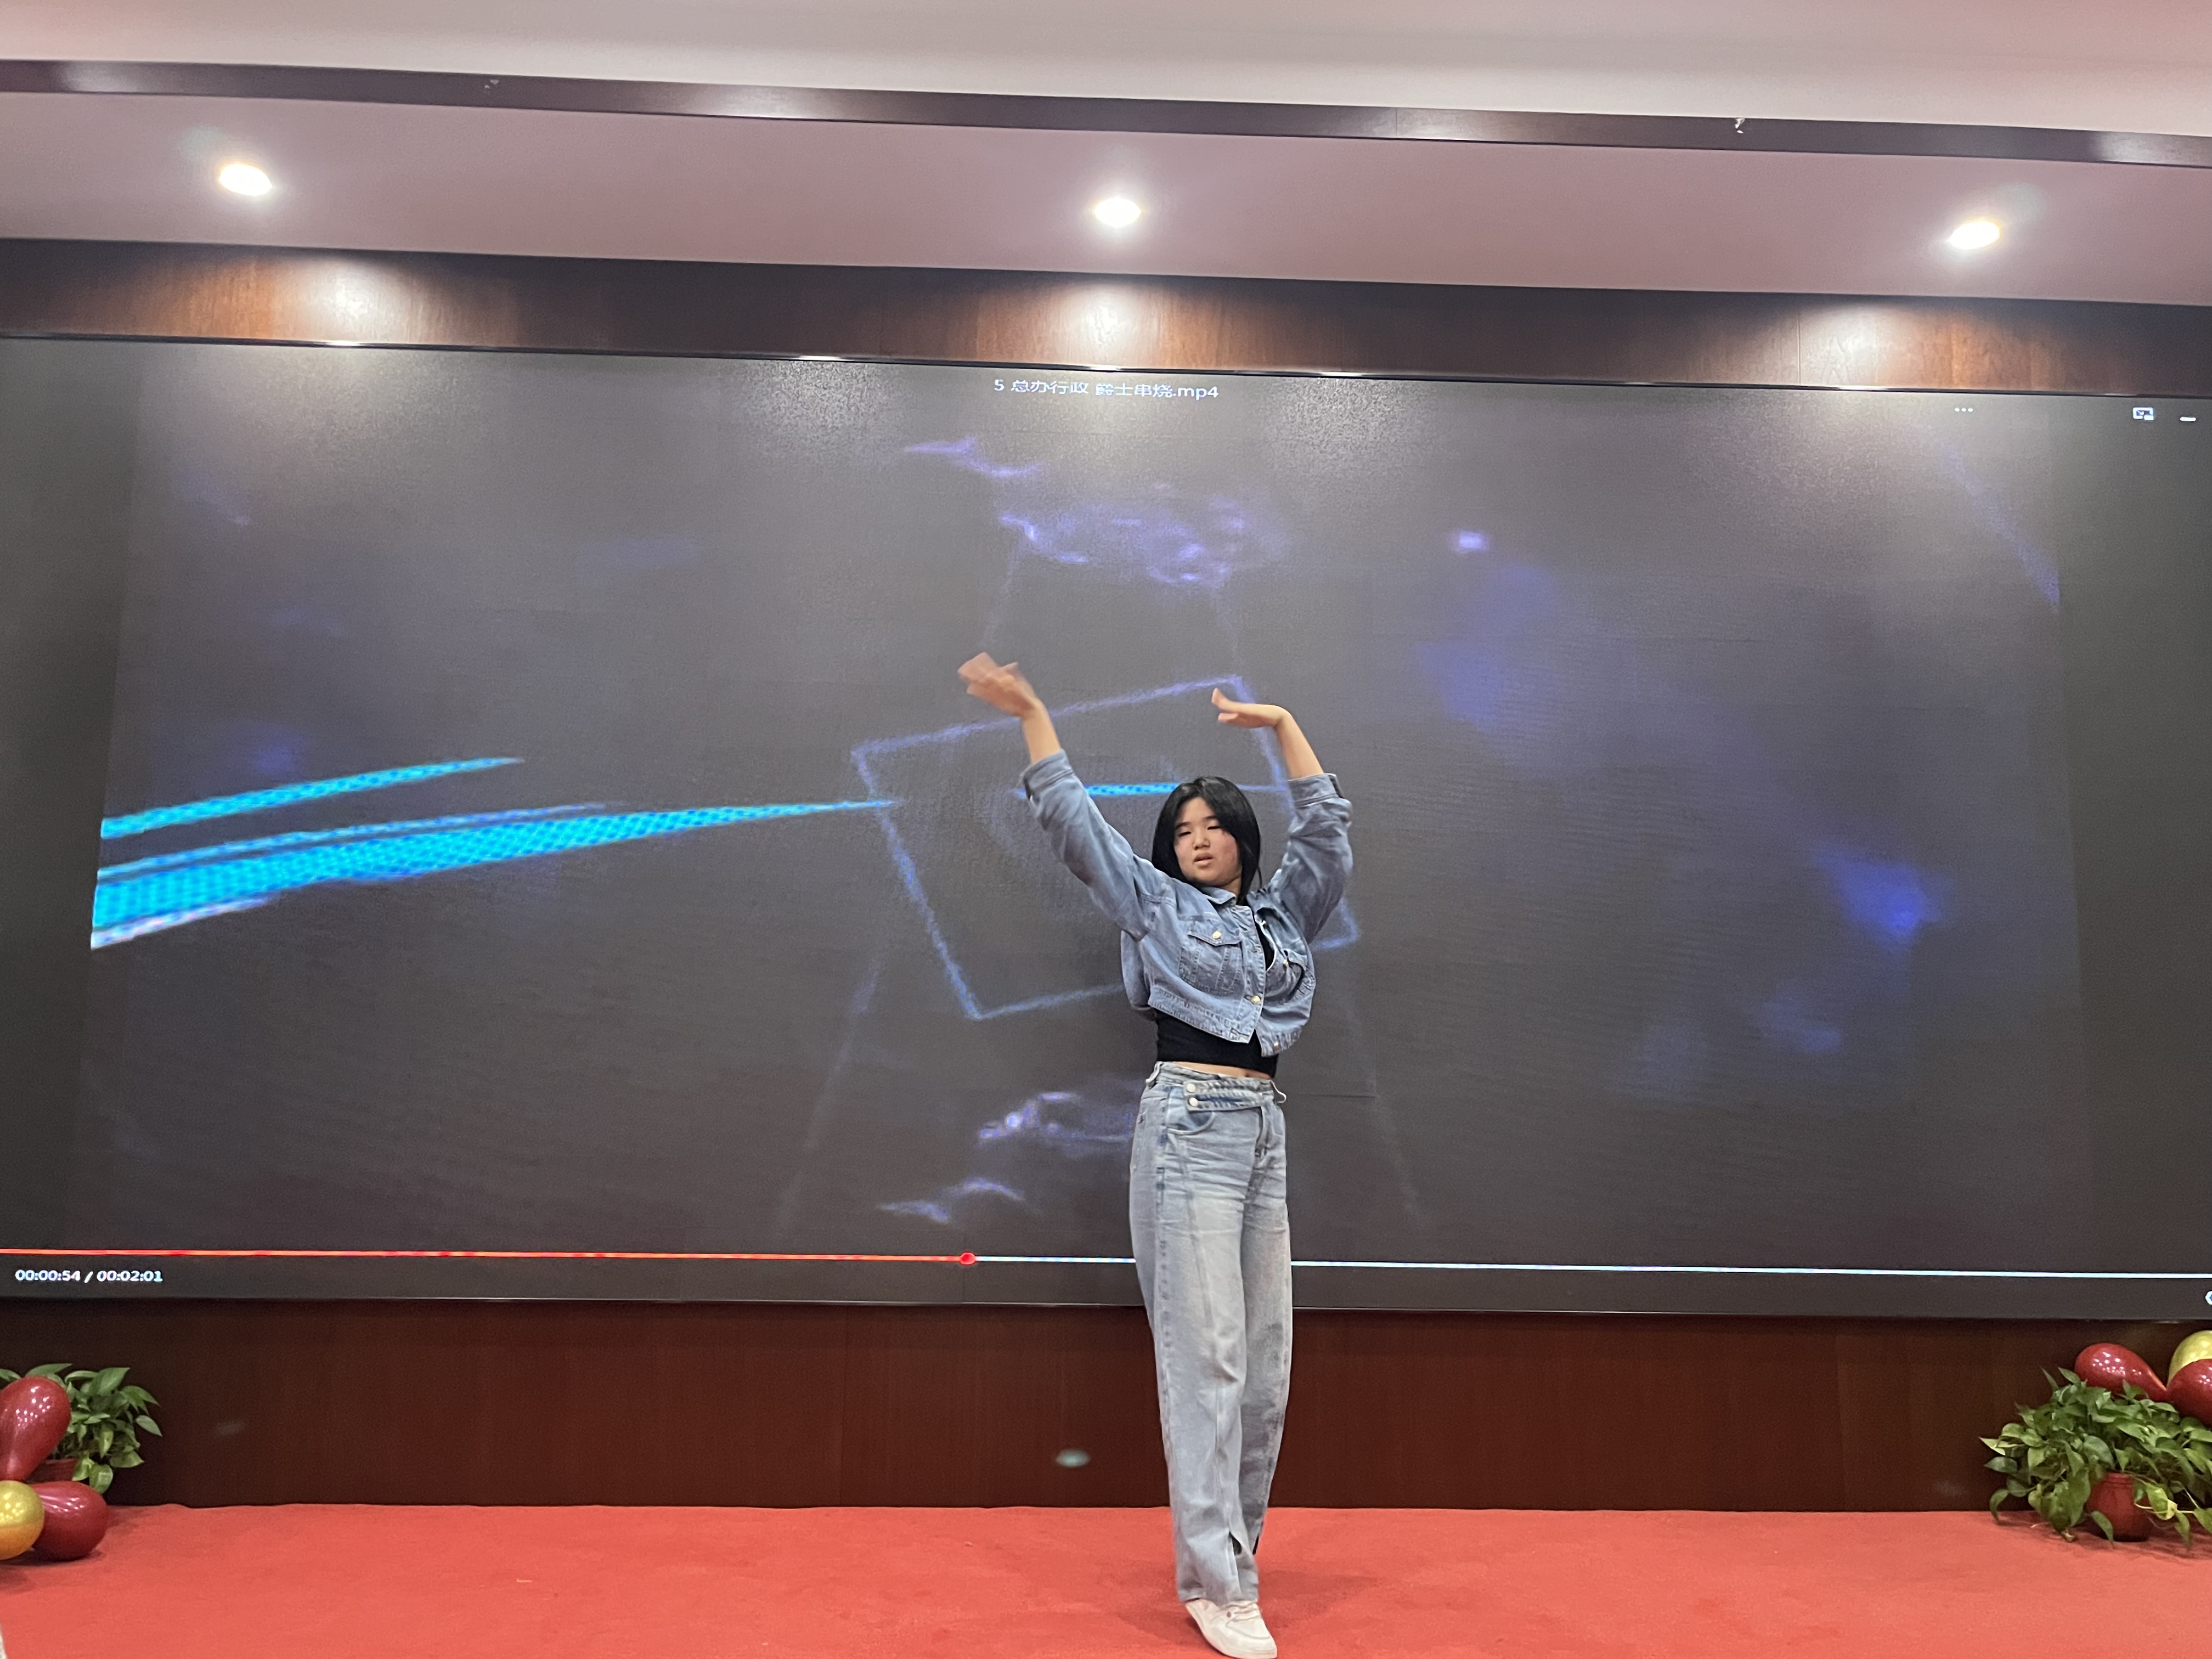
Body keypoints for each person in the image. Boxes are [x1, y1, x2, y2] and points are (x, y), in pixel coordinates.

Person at [956, 653, 1353, 1659]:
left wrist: (1283, 725)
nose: (1200, 840)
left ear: (1243, 836)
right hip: (1190, 1130)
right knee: (1208, 1361)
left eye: (1215, 825)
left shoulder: (1284, 917)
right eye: (1183, 830)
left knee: (1264, 1373)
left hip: (1262, 1131)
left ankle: (1238, 1562)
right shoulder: (1155, 906)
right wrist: (1034, 714)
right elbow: (1074, 825)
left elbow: (1327, 834)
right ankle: (1217, 1585)